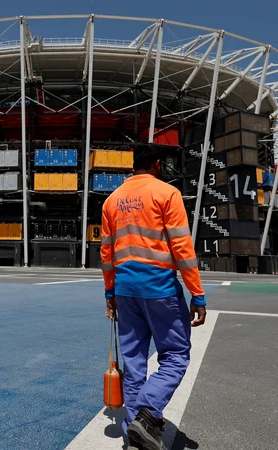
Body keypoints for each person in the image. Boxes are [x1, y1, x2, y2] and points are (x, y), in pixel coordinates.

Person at [101, 144, 207, 450]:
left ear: (134, 166)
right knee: (175, 356)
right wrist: (197, 293)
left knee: (134, 364)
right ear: (157, 165)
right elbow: (182, 248)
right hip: (159, 288)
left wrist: (110, 292)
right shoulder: (166, 194)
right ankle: (147, 415)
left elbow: (107, 253)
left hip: (124, 290)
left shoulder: (111, 201)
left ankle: (135, 433)